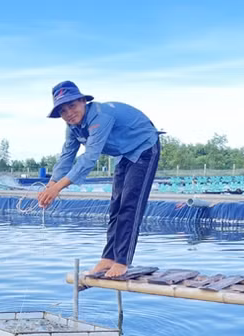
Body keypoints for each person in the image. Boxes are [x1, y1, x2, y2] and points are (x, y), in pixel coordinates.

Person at [38, 81, 161, 278]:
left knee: (130, 204)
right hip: (124, 154)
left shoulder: (100, 117)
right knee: (115, 206)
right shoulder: (72, 127)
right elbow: (67, 155)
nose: (69, 113)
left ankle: (122, 261)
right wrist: (51, 184)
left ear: (82, 101)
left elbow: (89, 158)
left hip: (144, 147)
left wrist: (58, 188)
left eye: (72, 105)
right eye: (63, 111)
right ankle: (108, 257)